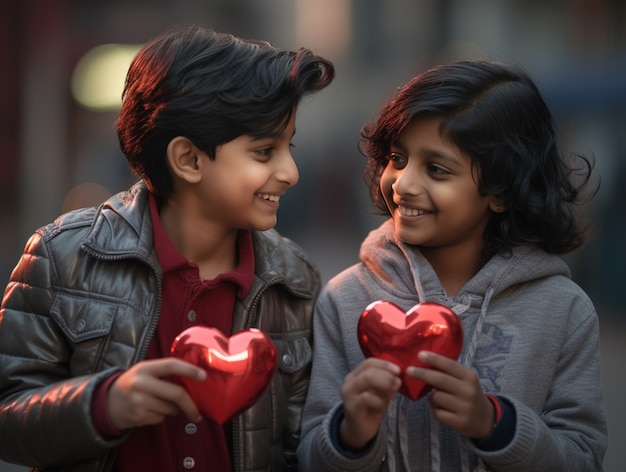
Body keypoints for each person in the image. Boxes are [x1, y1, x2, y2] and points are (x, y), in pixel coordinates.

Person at [0, 24, 334, 471]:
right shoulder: (62, 256)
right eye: (264, 151)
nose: (290, 171)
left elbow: (298, 445)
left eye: (287, 147)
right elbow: (9, 416)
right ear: (189, 159)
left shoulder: (296, 282)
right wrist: (104, 403)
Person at [296, 60, 607, 471]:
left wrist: (495, 424)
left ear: (501, 191)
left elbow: (583, 457)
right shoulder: (345, 298)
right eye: (398, 157)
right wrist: (350, 433)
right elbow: (308, 455)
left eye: (437, 169)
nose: (404, 184)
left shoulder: (564, 311)